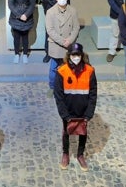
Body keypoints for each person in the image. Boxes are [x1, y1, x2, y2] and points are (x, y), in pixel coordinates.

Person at [54, 43, 97, 172]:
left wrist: (89, 114)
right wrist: (64, 115)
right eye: (73, 54)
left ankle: (80, 154)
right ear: (69, 56)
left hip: (83, 110)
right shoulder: (61, 71)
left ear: (82, 55)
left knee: (83, 132)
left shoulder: (90, 71)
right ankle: (65, 154)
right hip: (68, 110)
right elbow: (58, 96)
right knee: (66, 132)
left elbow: (93, 94)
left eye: (78, 55)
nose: (76, 57)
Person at [45, 0, 80, 92]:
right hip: (56, 45)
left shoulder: (72, 11)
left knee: (69, 67)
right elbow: (50, 30)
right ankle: (52, 87)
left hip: (68, 45)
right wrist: (62, 41)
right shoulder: (50, 12)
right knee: (53, 68)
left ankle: (67, 86)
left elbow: (76, 27)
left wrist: (69, 40)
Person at [8, 0, 36, 64]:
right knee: (16, 37)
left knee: (25, 37)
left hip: (26, 18)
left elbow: (32, 4)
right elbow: (10, 4)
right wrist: (19, 15)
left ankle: (25, 54)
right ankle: (16, 54)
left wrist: (26, 15)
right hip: (15, 18)